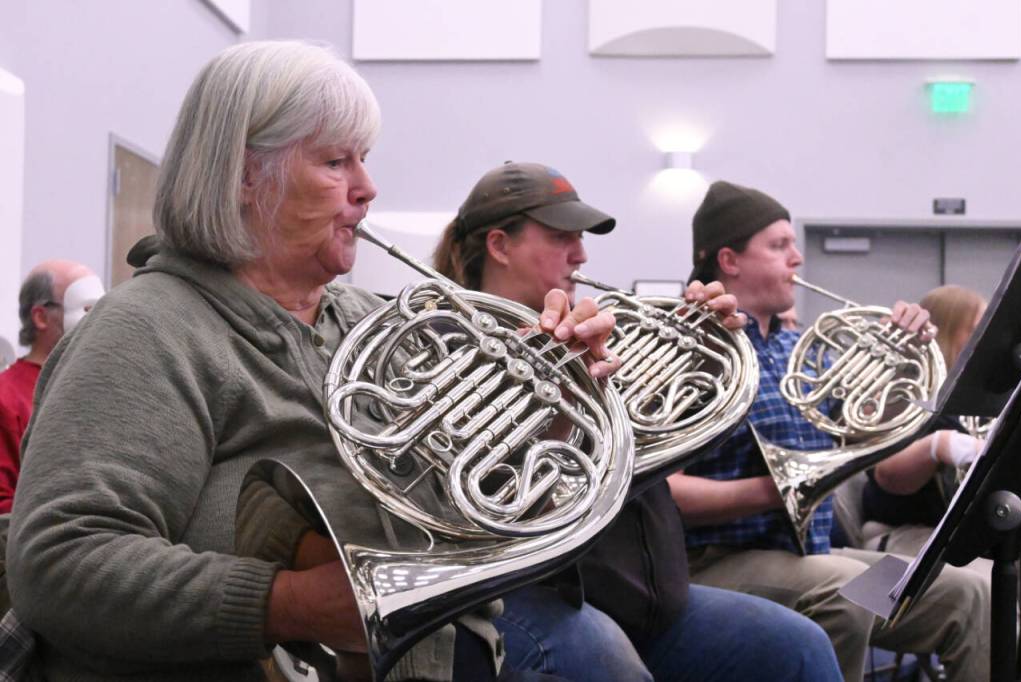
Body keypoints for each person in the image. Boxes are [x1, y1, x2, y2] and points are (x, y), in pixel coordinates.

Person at [5, 42, 618, 682]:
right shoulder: (146, 330)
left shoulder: (368, 319)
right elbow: (60, 562)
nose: (368, 188)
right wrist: (291, 605)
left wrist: (556, 405)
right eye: (335, 161)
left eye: (364, 159)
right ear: (242, 176)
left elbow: (474, 501)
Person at [433, 161, 844, 682]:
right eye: (562, 237)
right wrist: (563, 401)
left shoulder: (598, 336)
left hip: (644, 595)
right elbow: (485, 500)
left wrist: (703, 348)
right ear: (500, 245)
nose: (581, 255)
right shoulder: (451, 343)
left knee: (798, 646)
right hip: (521, 594)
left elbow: (669, 453)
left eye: (580, 239)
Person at [672, 180, 990, 682]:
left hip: (811, 553)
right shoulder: (696, 349)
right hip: (717, 560)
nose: (797, 258)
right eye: (779, 246)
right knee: (845, 592)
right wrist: (772, 493)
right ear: (730, 261)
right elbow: (666, 492)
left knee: (966, 594)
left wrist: (901, 353)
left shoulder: (792, 347)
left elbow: (873, 446)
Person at [861, 285, 989, 568]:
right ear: (945, 331)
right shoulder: (902, 399)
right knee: (986, 581)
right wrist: (939, 445)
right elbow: (887, 479)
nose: (986, 342)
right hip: (905, 535)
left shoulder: (974, 403)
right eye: (976, 331)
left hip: (954, 535)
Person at [0, 260, 103, 514]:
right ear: (41, 317)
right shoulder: (6, 398)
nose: (99, 321)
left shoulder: (105, 390)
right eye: (88, 309)